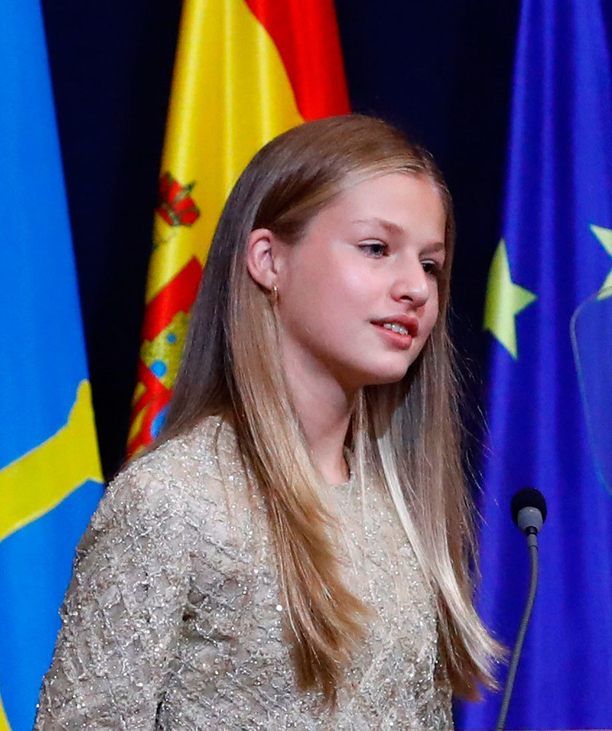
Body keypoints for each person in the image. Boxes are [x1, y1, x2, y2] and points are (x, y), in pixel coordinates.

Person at [34, 115, 500, 730]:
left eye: (432, 264)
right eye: (376, 249)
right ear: (267, 259)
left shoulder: (403, 509)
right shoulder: (172, 499)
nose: (416, 287)